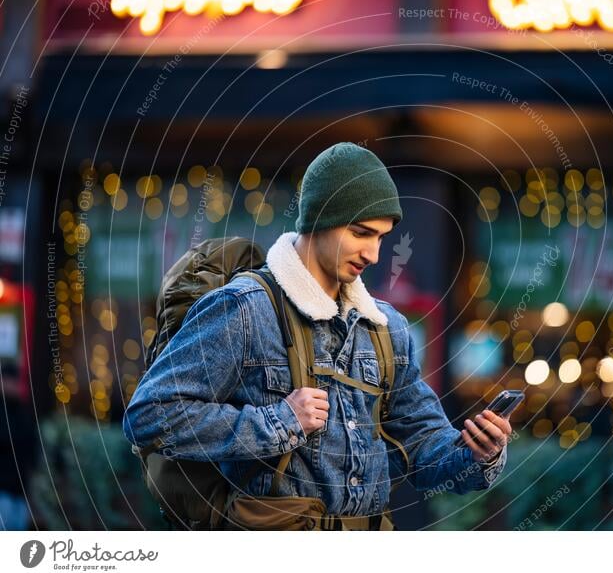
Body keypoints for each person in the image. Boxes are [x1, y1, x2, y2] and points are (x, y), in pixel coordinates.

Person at [123, 142, 511, 529]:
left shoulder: (386, 328)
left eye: (382, 237)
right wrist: (281, 422)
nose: (374, 253)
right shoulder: (245, 309)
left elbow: (424, 447)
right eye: (361, 233)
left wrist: (478, 453)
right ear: (321, 217)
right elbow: (149, 417)